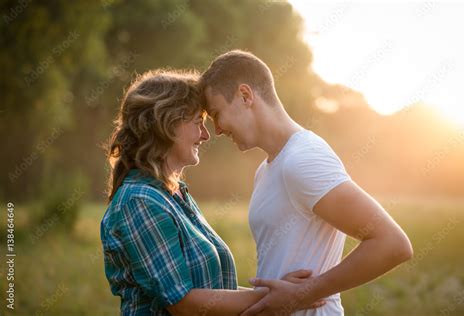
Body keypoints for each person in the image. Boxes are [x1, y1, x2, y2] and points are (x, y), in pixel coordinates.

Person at [200, 50, 413, 316]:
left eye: (217, 114)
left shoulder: (302, 158)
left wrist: (303, 293)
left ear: (245, 96)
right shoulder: (265, 170)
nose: (217, 130)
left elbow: (392, 243)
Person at [100, 69, 325, 315]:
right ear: (167, 123)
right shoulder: (139, 201)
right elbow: (184, 303)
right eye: (198, 123)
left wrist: (276, 292)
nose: (206, 135)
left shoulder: (173, 195)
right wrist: (277, 299)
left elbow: (213, 290)